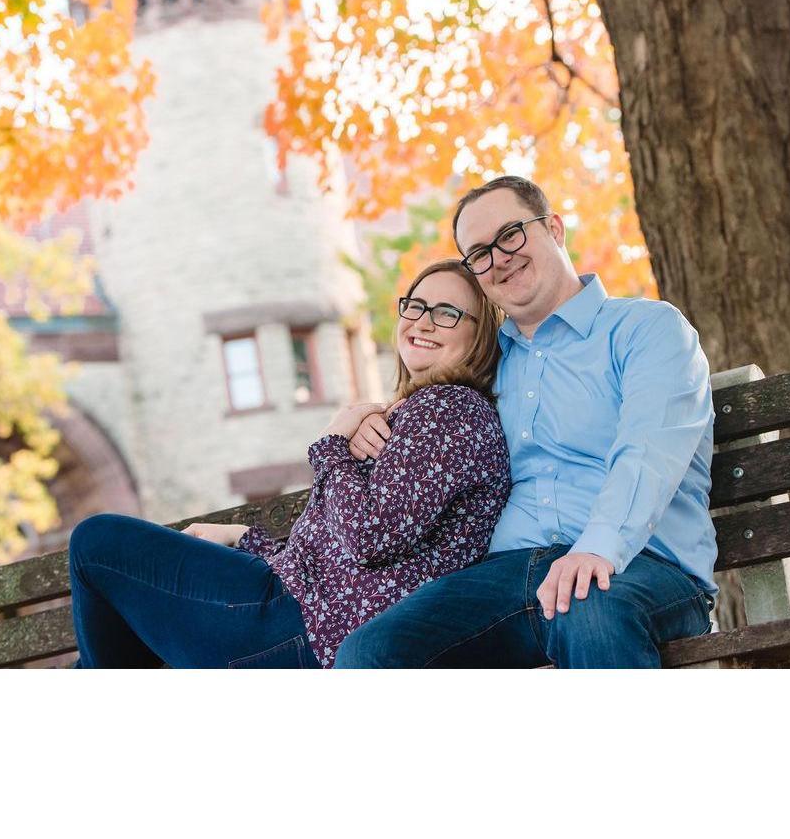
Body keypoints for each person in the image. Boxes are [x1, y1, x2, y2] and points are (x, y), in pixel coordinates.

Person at [336, 175, 717, 669]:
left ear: (554, 229)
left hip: (643, 565)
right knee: (370, 652)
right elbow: (429, 423)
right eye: (479, 254)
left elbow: (647, 453)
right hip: (507, 574)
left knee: (589, 610)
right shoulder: (489, 368)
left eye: (510, 234)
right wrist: (363, 420)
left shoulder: (646, 330)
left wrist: (596, 549)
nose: (498, 258)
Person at [68, 260, 511, 668]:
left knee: (96, 544)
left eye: (447, 312)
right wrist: (247, 538)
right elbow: (332, 555)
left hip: (304, 632)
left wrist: (333, 442)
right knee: (113, 624)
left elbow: (369, 536)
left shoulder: (451, 411)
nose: (422, 321)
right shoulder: (413, 412)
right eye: (415, 305)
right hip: (296, 611)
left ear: (480, 335)